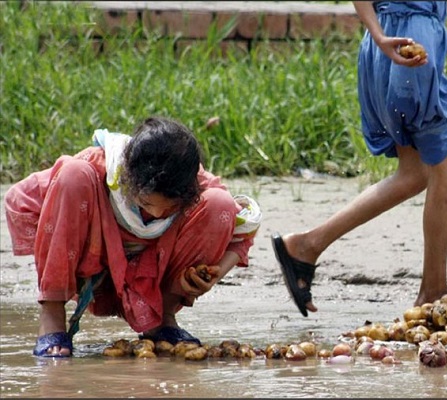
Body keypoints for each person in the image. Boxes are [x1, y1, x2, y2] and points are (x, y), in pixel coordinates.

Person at [4, 116, 262, 357]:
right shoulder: (101, 167)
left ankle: (162, 318)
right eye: (147, 205)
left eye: (168, 208)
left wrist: (216, 272)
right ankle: (52, 316)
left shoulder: (194, 183)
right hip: (94, 265)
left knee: (220, 204)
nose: (158, 213)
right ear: (128, 180)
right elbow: (23, 199)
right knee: (73, 174)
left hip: (154, 275)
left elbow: (244, 228)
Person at [272, 1, 447, 317]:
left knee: (415, 173)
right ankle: (433, 292)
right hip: (406, 43)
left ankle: (307, 245)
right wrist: (379, 35)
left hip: (395, 42)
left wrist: (377, 35)